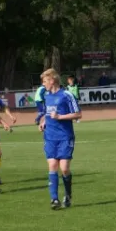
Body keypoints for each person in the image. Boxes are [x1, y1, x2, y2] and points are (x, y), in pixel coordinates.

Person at [38, 68, 82, 210]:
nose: (43, 84)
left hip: (65, 137)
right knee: (52, 166)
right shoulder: (46, 95)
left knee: (64, 169)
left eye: (45, 81)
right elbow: (47, 113)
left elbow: (78, 114)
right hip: (50, 136)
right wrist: (43, 121)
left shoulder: (66, 95)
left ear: (52, 80)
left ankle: (68, 194)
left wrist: (61, 117)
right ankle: (54, 199)